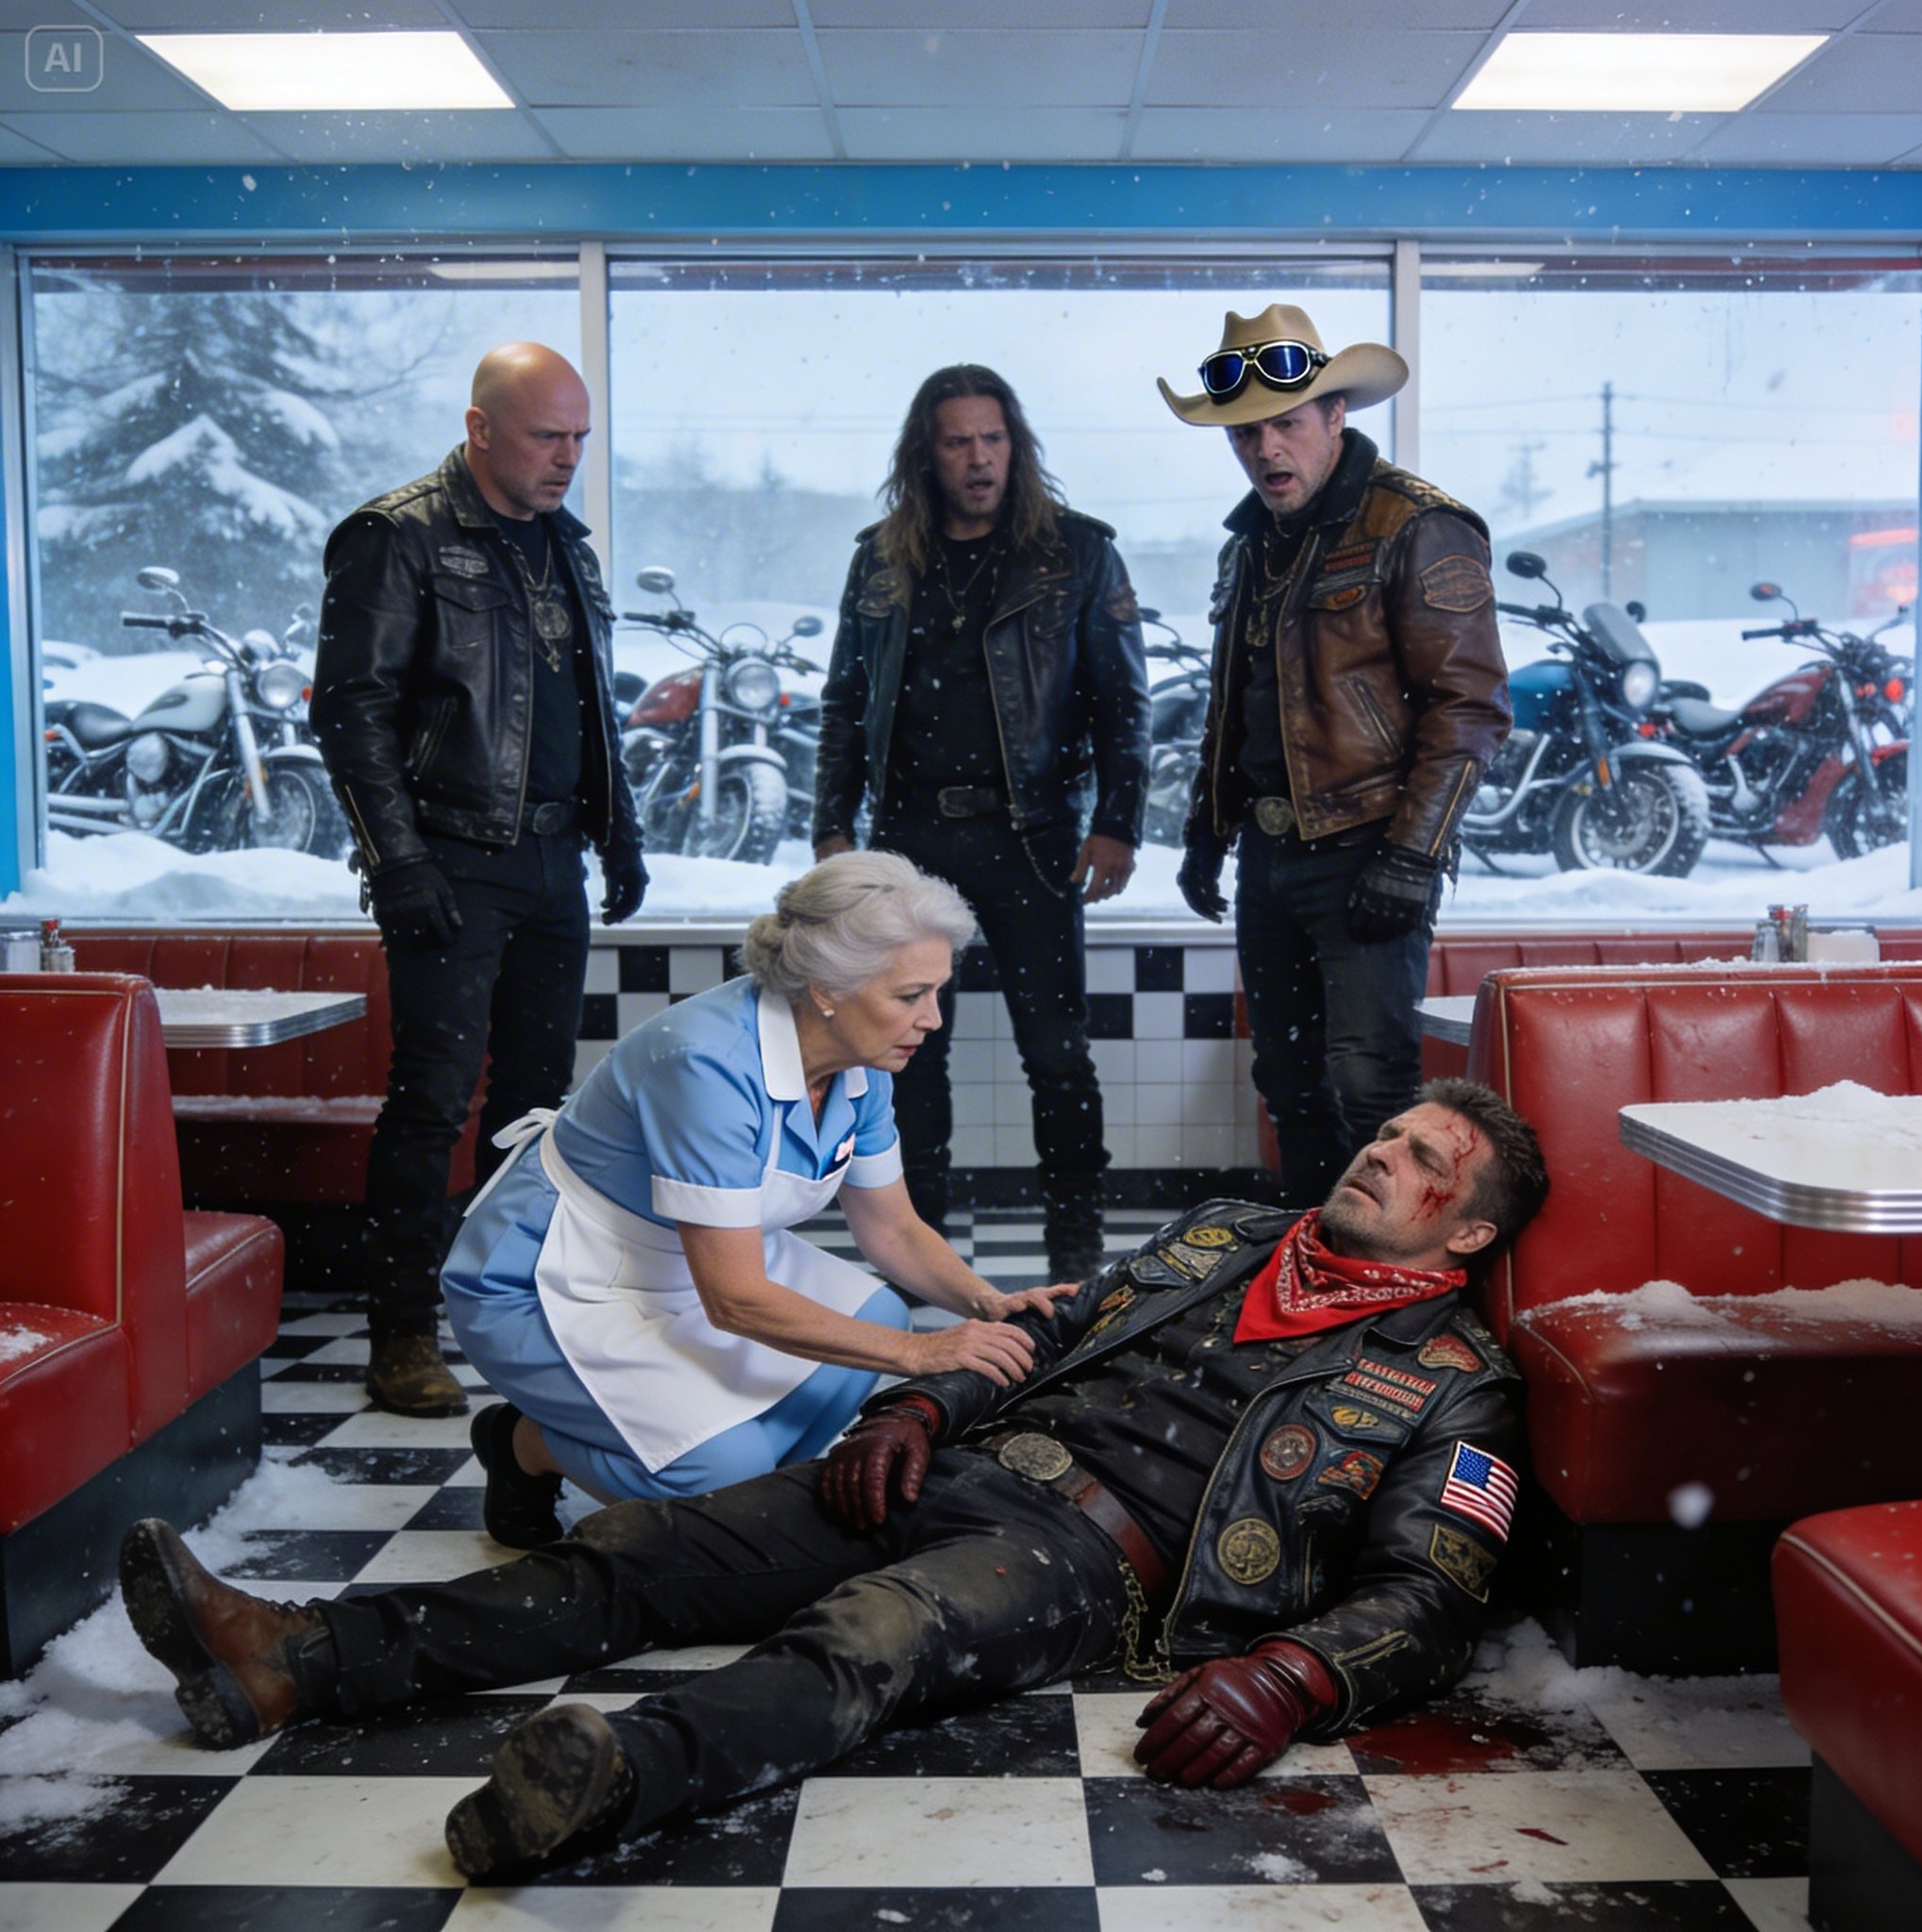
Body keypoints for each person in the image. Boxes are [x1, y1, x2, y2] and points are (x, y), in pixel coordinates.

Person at [120, 1077, 1547, 1884]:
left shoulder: (1454, 1381)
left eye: (1424, 1159)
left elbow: (1432, 1596)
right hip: (963, 1467)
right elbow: (1042, 1329)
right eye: (1388, 1131)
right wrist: (916, 1402)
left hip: (1090, 1561)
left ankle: (613, 1783)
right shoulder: (1226, 1233)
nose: (1379, 1150)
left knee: (869, 1638)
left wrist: (1293, 1677)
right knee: (643, 1549)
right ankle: (296, 1656)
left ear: (1469, 1232)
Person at [444, 849, 1074, 1545]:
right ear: (826, 988)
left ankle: (741, 1503)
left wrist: (988, 1304)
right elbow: (736, 1300)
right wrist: (919, 1354)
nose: (931, 1019)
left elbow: (893, 1230)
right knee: (726, 1470)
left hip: (695, 1263)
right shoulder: (705, 1064)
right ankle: (523, 1446)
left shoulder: (862, 1063)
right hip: (555, 1281)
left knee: (872, 1319)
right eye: (909, 996)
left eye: (937, 992)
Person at [310, 343, 648, 1419]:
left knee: (536, 1107)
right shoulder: (397, 534)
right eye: (548, 436)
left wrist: (620, 834)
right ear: (480, 428)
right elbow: (350, 713)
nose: (568, 457)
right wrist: (396, 860)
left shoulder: (567, 545)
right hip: (451, 857)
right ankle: (403, 1329)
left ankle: (512, 1304)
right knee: (432, 1099)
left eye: (580, 436)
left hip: (553, 857)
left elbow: (589, 706)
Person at [1159, 306, 1512, 1206]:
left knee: (1370, 1083)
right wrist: (1208, 831)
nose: (1266, 448)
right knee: (1287, 1080)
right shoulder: (1250, 546)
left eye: (1286, 423)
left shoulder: (1416, 524)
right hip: (1269, 851)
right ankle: (1316, 1258)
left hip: (1369, 845)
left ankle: (1400, 1273)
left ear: (1335, 415)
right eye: (1246, 433)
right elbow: (1235, 705)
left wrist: (1412, 855)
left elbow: (1470, 708)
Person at [812, 365, 1150, 1281]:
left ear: (1016, 446)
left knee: (1057, 1053)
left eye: (992, 439)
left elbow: (1124, 703)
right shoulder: (882, 558)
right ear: (927, 453)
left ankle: (1075, 1252)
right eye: (958, 441)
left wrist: (1117, 822)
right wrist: (831, 828)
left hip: (1030, 838)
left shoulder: (1075, 552)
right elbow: (843, 700)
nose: (978, 459)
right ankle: (919, 1253)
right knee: (908, 1055)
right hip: (909, 841)